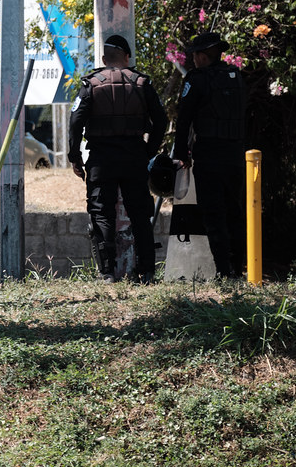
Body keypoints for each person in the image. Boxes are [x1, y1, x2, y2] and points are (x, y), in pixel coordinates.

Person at [68, 35, 168, 283]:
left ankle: (107, 273)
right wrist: (148, 151)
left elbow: (75, 122)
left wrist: (75, 157)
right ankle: (147, 271)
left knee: (101, 214)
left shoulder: (91, 84)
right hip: (134, 155)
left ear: (103, 59)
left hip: (101, 158)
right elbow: (161, 121)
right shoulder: (142, 83)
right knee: (140, 215)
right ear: (126, 57)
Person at [172, 32, 247, 279]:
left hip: (209, 157)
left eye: (195, 54)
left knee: (214, 214)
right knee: (234, 212)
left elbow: (183, 120)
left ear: (203, 57)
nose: (192, 59)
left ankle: (224, 271)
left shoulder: (197, 80)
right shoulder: (236, 77)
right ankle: (239, 268)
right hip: (235, 156)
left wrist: (182, 153)